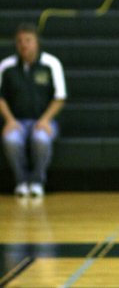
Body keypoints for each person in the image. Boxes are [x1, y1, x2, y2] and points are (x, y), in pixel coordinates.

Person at [0, 23, 67, 197]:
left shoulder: (51, 64)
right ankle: (21, 181)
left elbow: (59, 97)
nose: (24, 44)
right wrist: (9, 120)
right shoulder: (6, 67)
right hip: (17, 121)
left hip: (44, 120)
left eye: (28, 40)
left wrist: (45, 120)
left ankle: (37, 182)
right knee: (11, 140)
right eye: (20, 41)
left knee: (41, 139)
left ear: (37, 42)